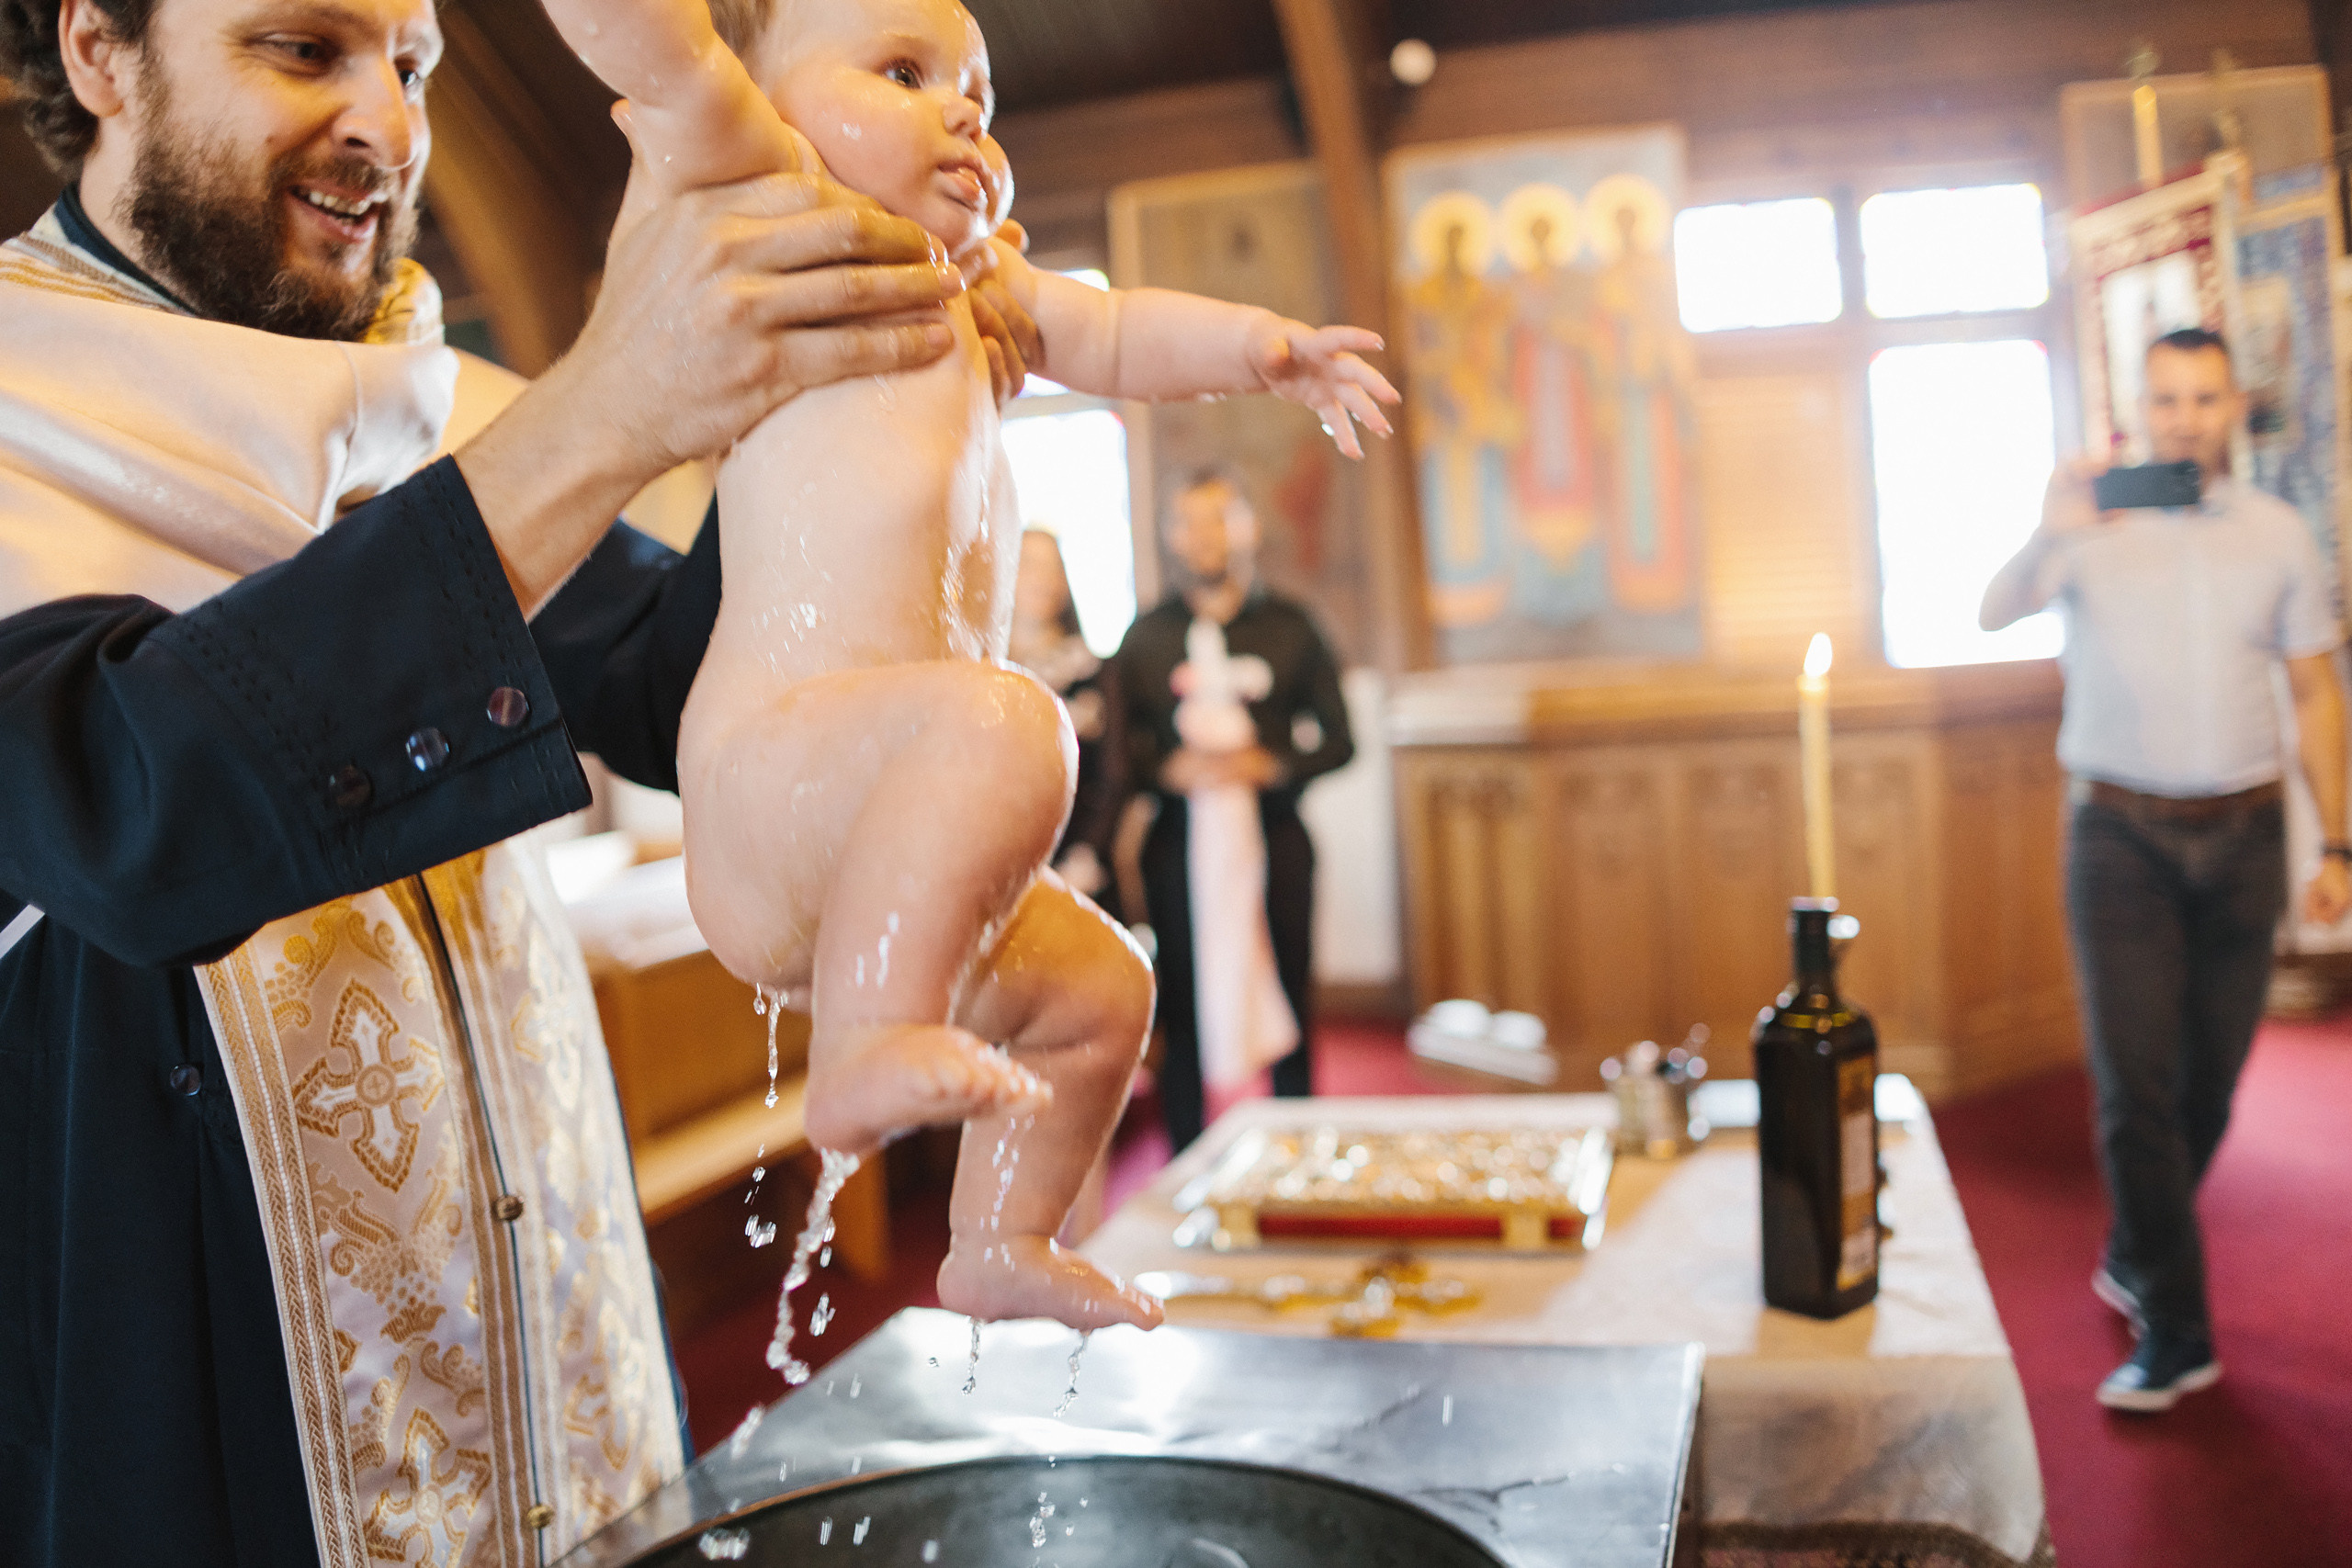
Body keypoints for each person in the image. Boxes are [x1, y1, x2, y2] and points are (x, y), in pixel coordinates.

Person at [0, 0, 1048, 1556]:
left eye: (412, 66)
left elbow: (685, 677)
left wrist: (873, 416)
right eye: (305, 50)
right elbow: (136, 807)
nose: (392, 125)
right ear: (100, 51)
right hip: (207, 1435)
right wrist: (610, 412)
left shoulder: (414, 424)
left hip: (550, 1360)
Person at [533, 0, 1401, 1332]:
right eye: (902, 71)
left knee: (1108, 987)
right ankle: (866, 1052)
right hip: (779, 774)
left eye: (977, 88)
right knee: (1013, 720)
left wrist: (1260, 351)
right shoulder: (763, 202)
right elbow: (654, 44)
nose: (962, 108)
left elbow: (1115, 336)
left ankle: (1000, 1235)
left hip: (894, 834)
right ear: (770, 108)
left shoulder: (985, 288)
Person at [1980, 327, 2351, 1414]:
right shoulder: (2087, 527)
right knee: (2133, 1085)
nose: (2182, 415)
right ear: (2135, 405)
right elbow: (1992, 610)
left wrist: (2335, 841)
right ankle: (2176, 1332)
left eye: (2202, 397)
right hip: (2116, 838)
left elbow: (2316, 695)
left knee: (2209, 1085)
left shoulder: (2279, 534)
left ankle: (2137, 1242)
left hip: (2241, 841)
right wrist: (2046, 532)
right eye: (2164, 397)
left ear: (2235, 406)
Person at [1115, 470, 1356, 1151]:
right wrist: (1166, 768)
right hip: (1178, 845)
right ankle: (1187, 1156)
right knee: (1183, 1004)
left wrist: (1273, 764)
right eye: (1188, 520)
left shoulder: (1292, 625)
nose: (1205, 535)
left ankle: (1299, 1150)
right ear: (1169, 534)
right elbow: (1119, 754)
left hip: (1275, 839)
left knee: (1289, 990)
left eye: (1220, 517)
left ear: (1247, 526)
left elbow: (1340, 739)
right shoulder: (1145, 638)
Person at [1011, 529, 1126, 921]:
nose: (1041, 579)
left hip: (1082, 864)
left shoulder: (1093, 672)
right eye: (1028, 565)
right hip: (1004, 866)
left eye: (1052, 567)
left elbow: (1115, 774)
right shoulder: (984, 675)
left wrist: (1085, 856)